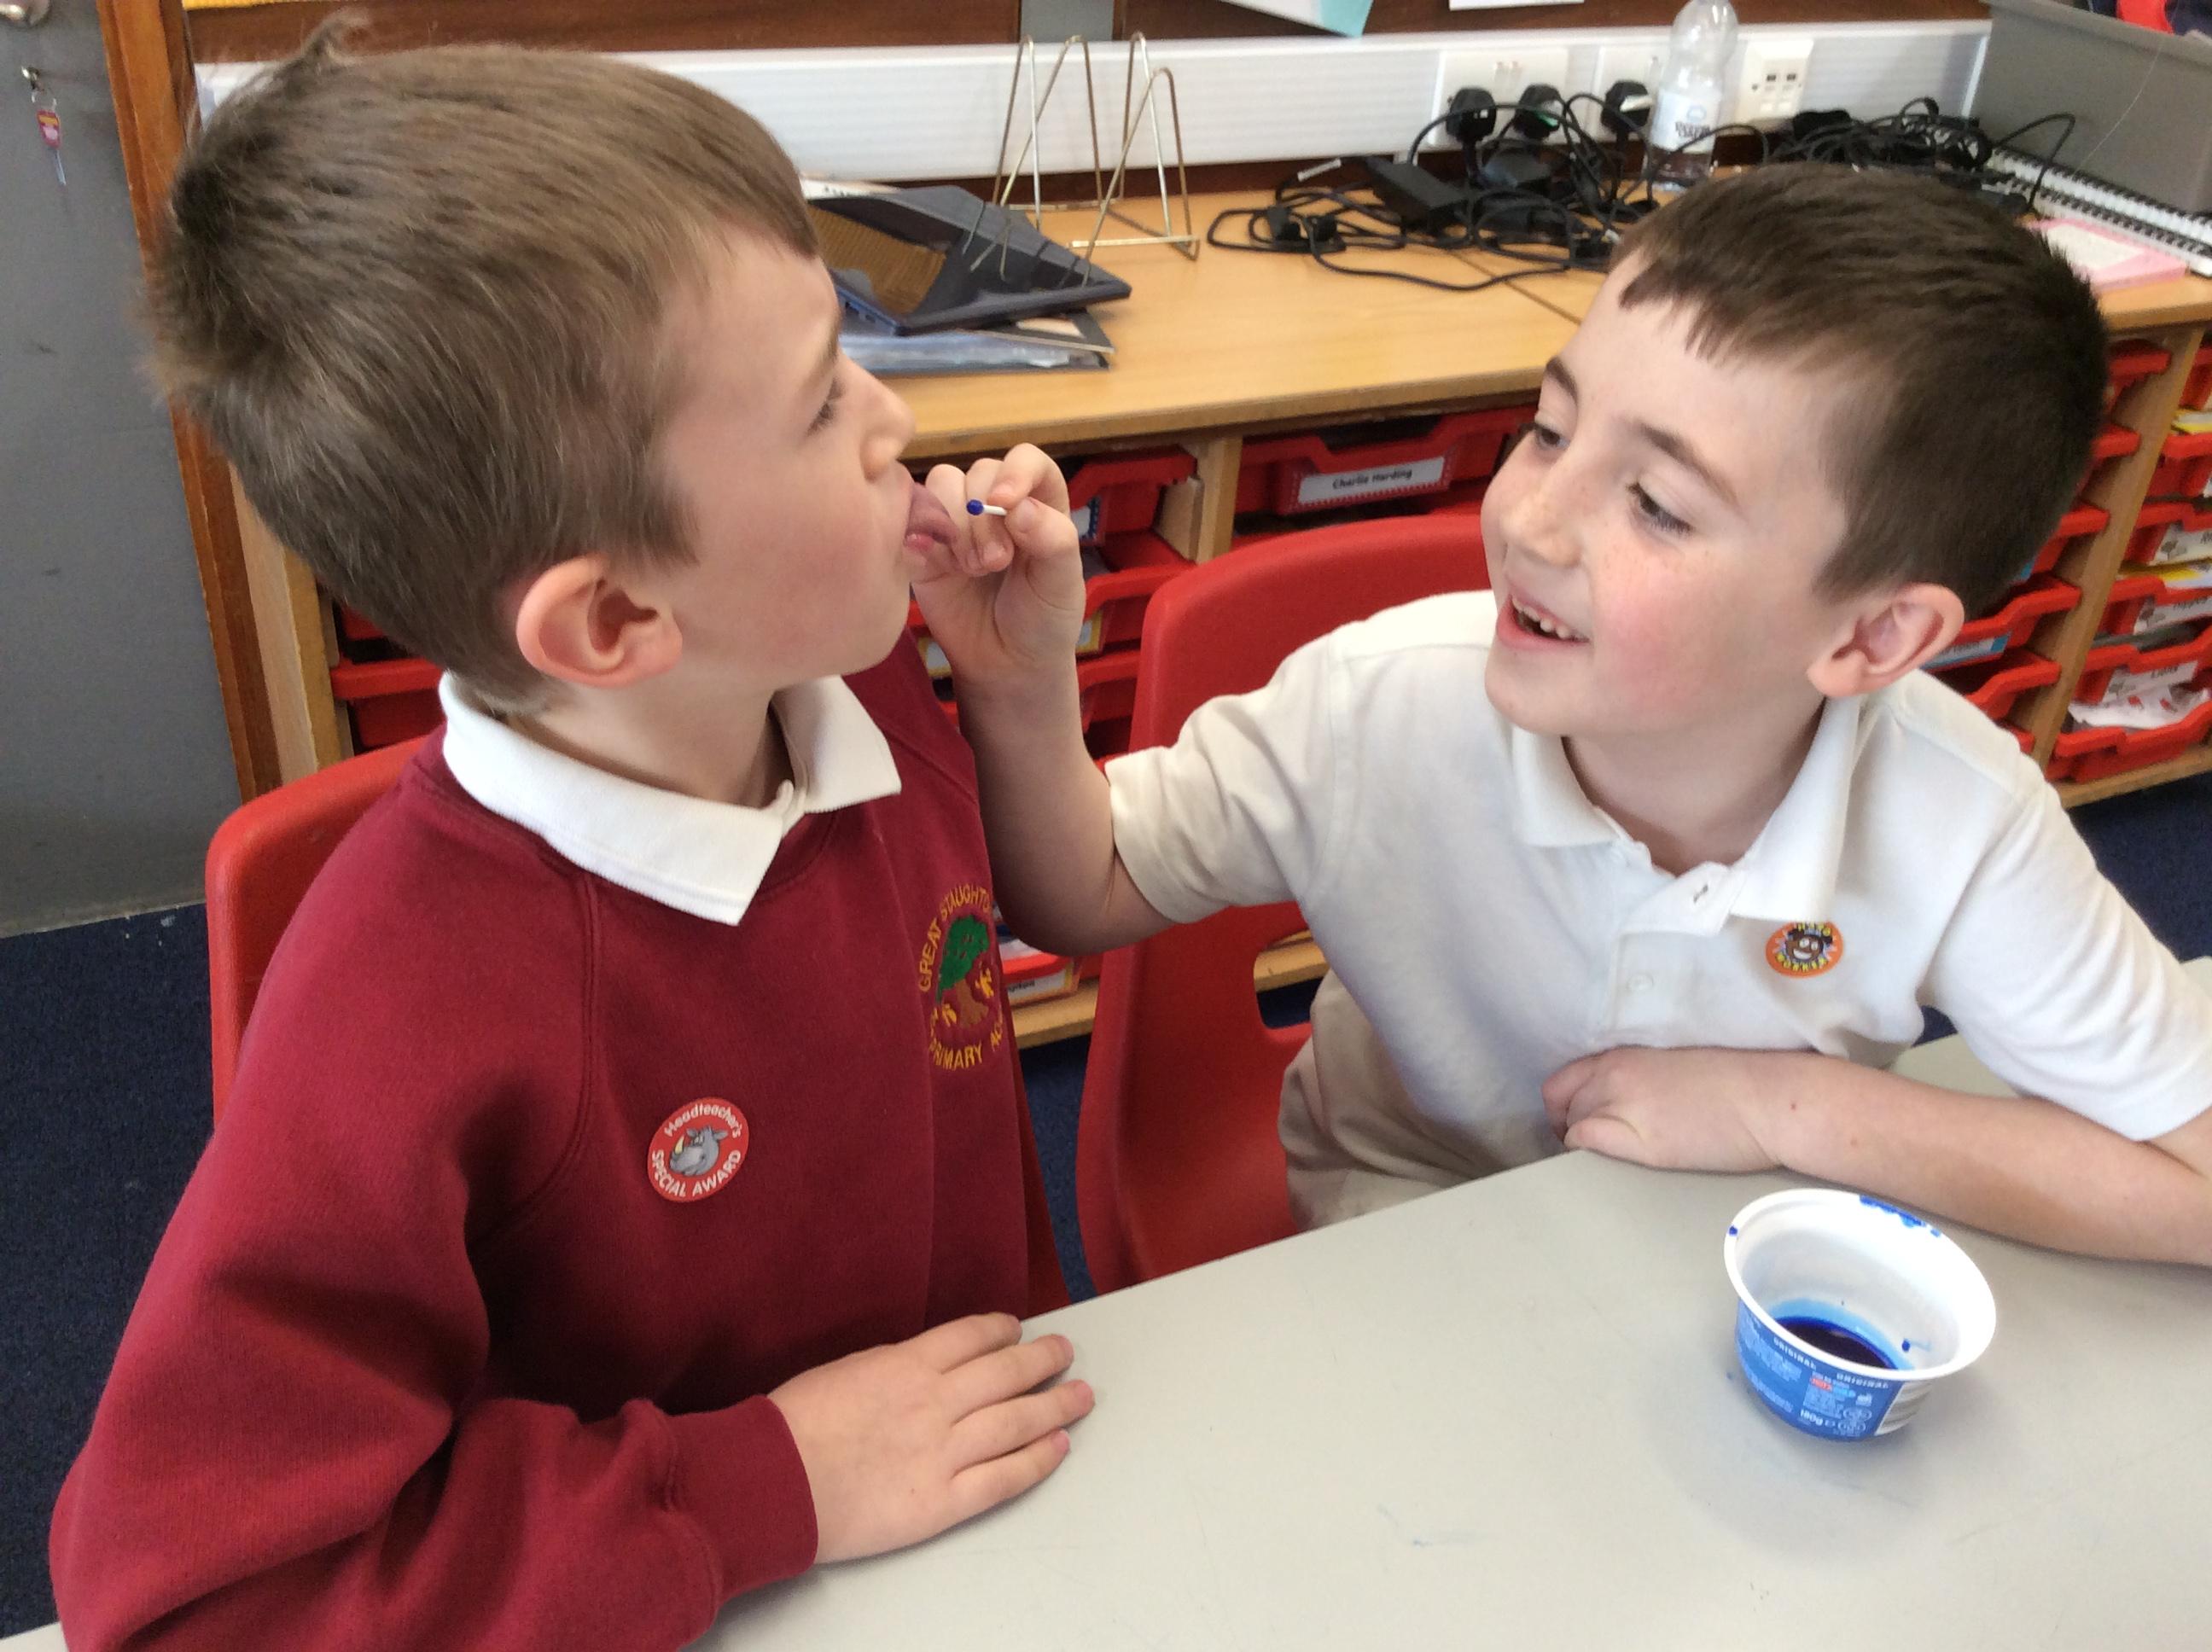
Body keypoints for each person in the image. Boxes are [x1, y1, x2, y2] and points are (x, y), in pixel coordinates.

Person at [52, 28, 1093, 1652]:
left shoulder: (858, 677)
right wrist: (765, 1485)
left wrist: (1020, 691)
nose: (896, 418)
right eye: (823, 400)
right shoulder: (409, 1000)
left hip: (1008, 1529)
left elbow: (1039, 909)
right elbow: (193, 1604)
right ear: (613, 623)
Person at [923, 166, 2212, 1265]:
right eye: (1550, 429)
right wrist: (1020, 680)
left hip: (1723, 1221)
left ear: (1875, 637)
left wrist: (1786, 1111)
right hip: (1406, 1214)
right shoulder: (1381, 706)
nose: (1525, 521)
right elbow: (1081, 888)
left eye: (1656, 504)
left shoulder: (1960, 817)